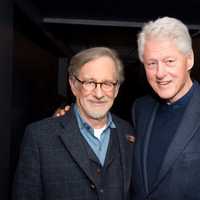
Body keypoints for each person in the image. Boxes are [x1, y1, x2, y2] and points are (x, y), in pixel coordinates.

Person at [12, 47, 135, 200]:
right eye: (90, 82)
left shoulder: (128, 133)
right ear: (73, 85)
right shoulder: (39, 136)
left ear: (116, 89)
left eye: (107, 83)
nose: (98, 94)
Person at [132, 16, 200, 199]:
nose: (160, 73)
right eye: (152, 64)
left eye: (169, 61)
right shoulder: (140, 108)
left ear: (189, 60)